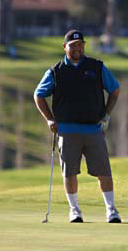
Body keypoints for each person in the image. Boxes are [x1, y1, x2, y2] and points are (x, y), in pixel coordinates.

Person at [34, 29, 122, 224]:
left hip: (93, 128)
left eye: (80, 44)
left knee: (103, 172)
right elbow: (38, 95)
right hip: (66, 130)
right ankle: (74, 211)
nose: (77, 48)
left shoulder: (97, 67)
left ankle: (111, 210)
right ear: (65, 47)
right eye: (73, 45)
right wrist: (49, 119)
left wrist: (106, 115)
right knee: (70, 172)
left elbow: (114, 90)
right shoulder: (55, 71)